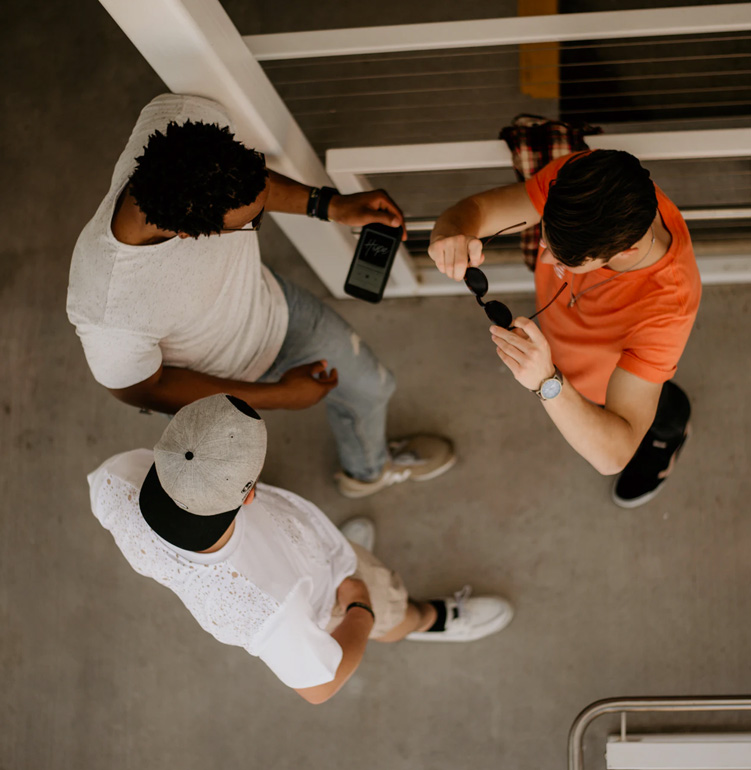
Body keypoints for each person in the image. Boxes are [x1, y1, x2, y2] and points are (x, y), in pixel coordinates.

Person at [68, 93, 455, 498]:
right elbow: (143, 389)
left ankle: (367, 473)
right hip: (216, 384)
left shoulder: (181, 121)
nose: (258, 216)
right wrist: (280, 396)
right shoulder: (108, 307)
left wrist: (327, 204)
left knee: (373, 387)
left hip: (277, 310)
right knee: (234, 493)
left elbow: (252, 184)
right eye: (251, 221)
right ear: (188, 231)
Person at [87, 394, 514, 704]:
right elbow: (320, 686)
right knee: (390, 605)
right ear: (249, 495)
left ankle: (333, 559)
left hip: (301, 560)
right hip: (329, 598)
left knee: (332, 556)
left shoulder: (115, 480)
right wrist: (360, 607)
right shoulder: (270, 606)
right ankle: (429, 620)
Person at [428, 150, 700, 507]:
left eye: (567, 259)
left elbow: (613, 455)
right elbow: (477, 210)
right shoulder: (581, 183)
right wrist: (450, 234)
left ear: (627, 252)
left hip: (605, 384)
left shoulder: (668, 308)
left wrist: (547, 382)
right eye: (545, 240)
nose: (544, 259)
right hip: (566, 351)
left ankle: (669, 438)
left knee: (659, 410)